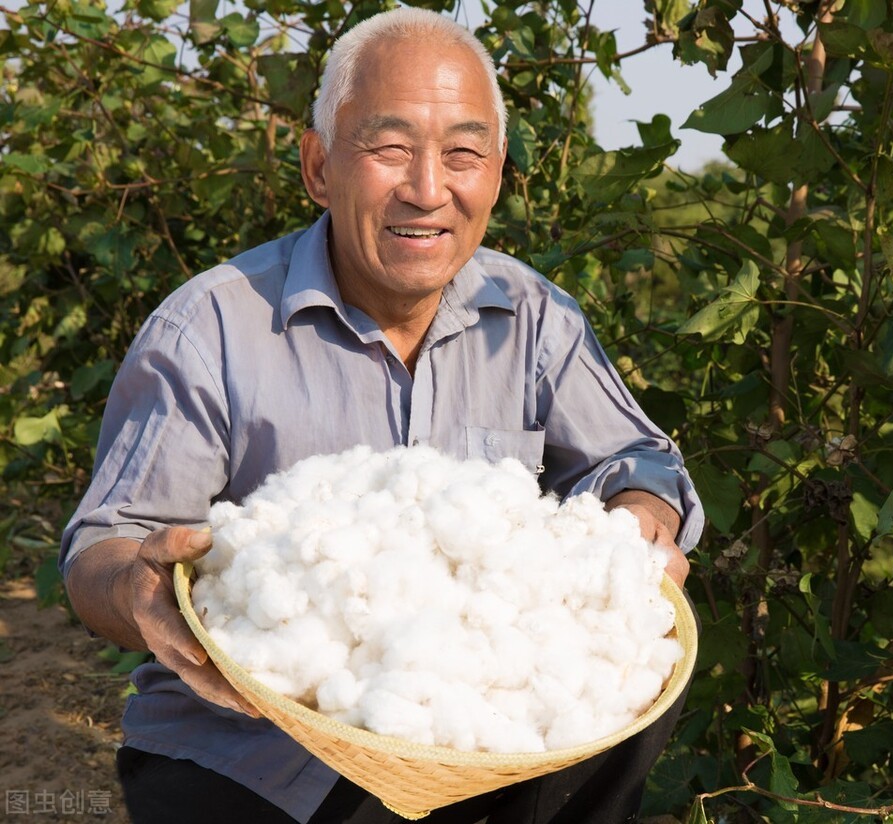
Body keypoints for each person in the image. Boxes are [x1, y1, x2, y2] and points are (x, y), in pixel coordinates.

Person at [59, 7, 703, 824]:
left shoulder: (534, 318)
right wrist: (140, 591)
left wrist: (643, 512)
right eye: (389, 148)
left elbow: (636, 460)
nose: (428, 189)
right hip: (252, 753)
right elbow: (101, 548)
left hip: (478, 745)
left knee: (640, 663)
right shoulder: (210, 330)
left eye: (462, 153)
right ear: (319, 167)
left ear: (497, 173)